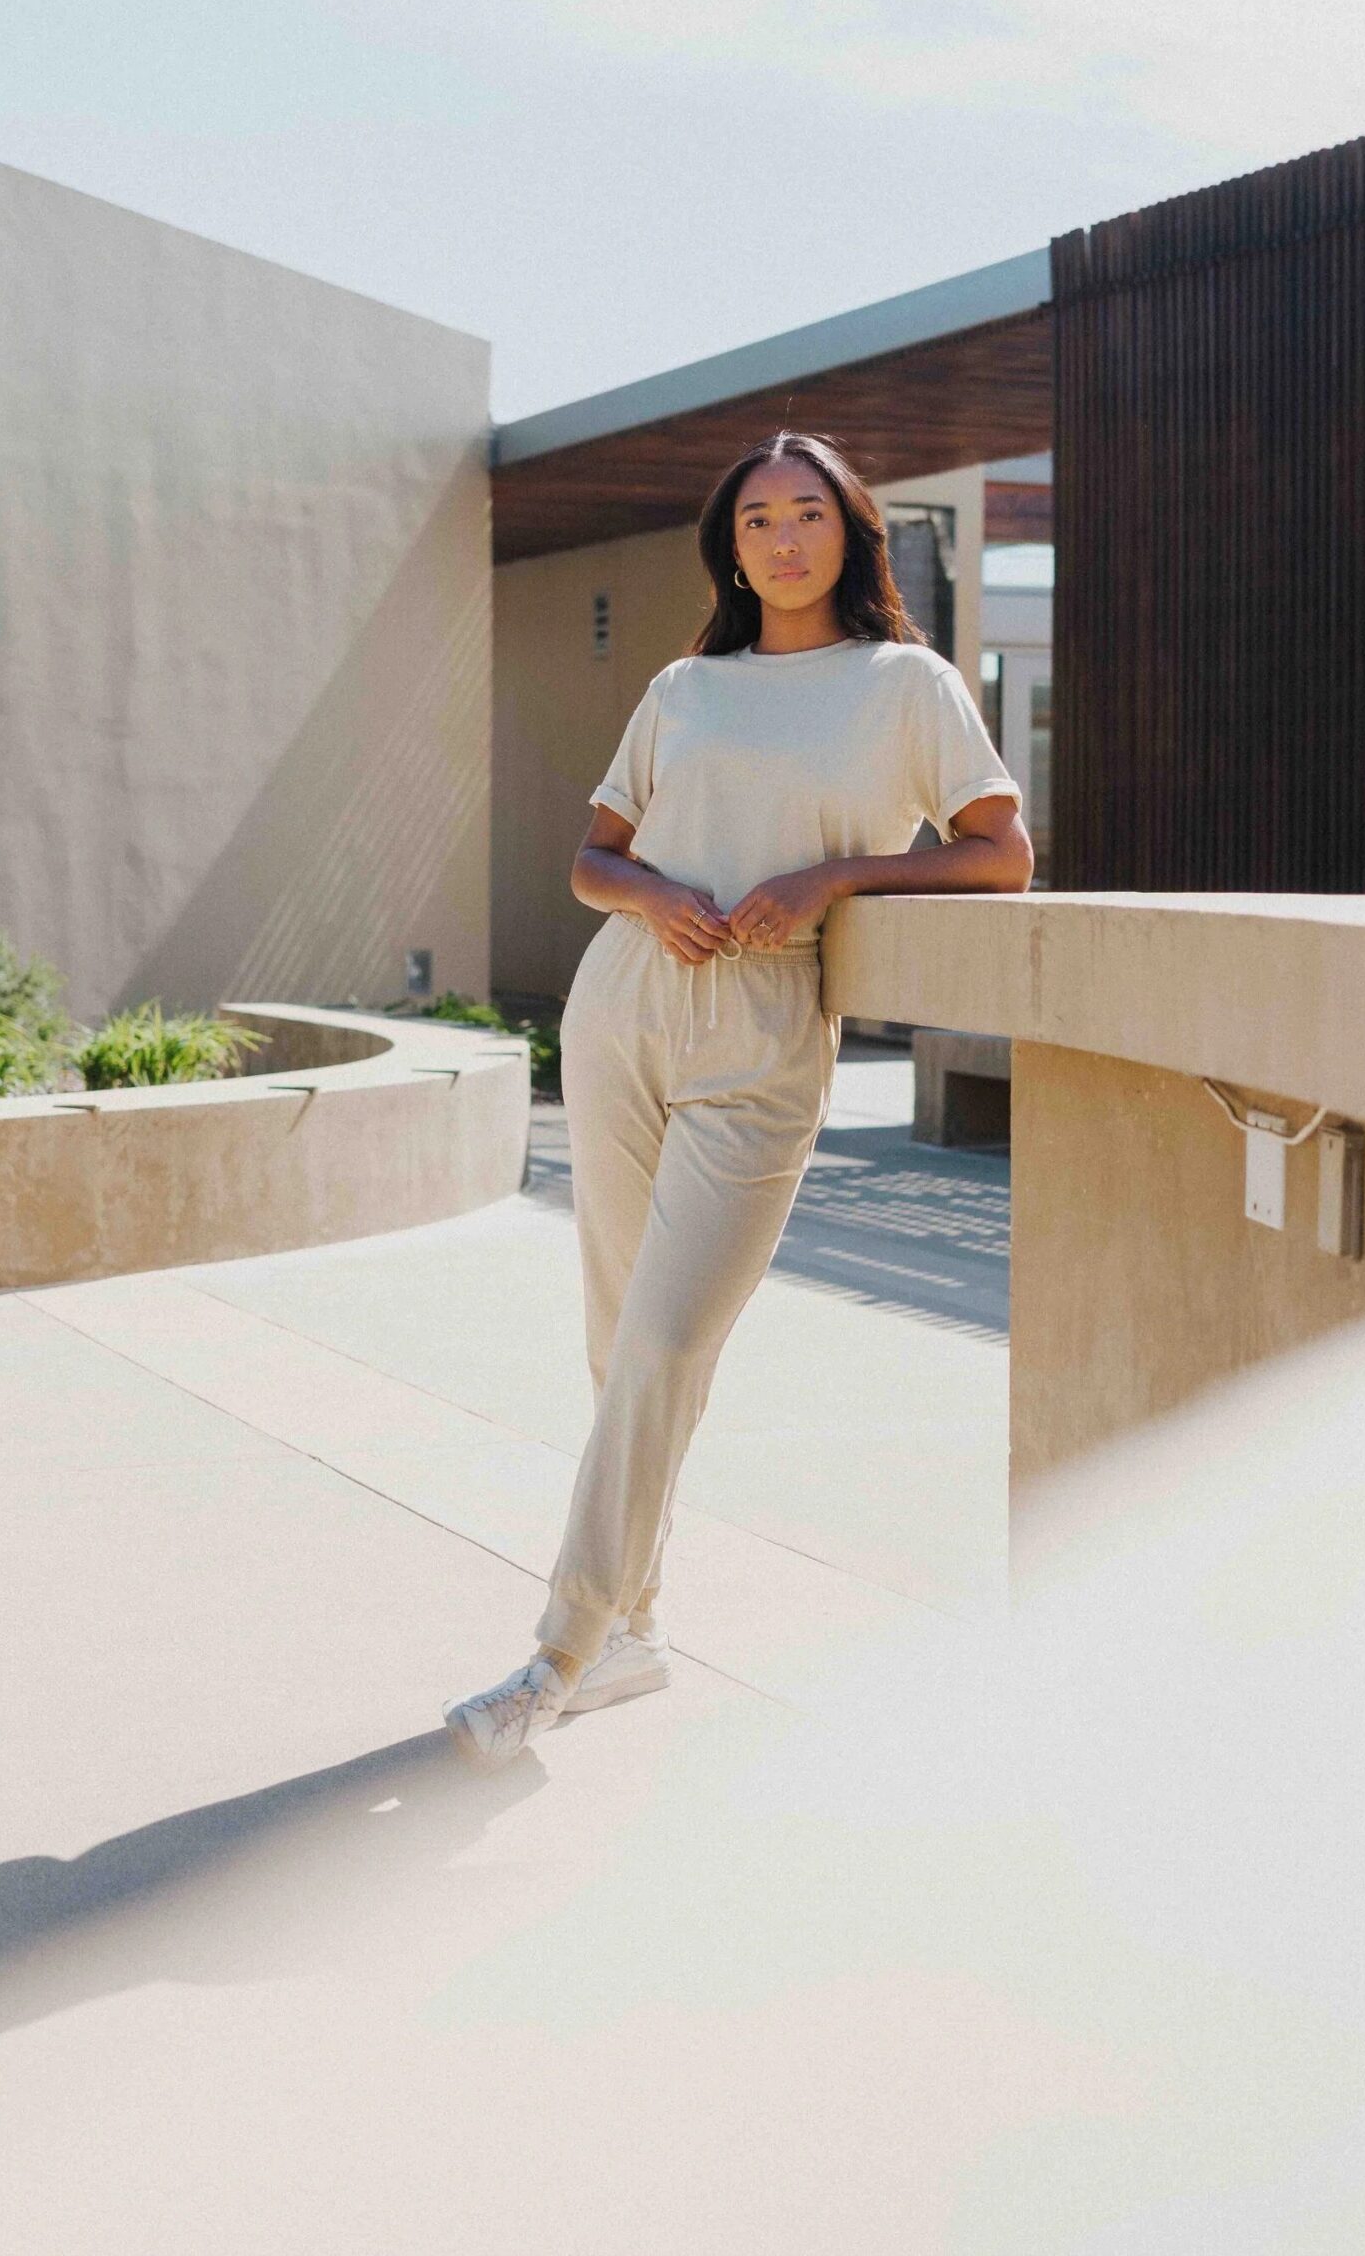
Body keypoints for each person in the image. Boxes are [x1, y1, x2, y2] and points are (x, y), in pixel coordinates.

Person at [444, 430, 1032, 1766]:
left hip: (766, 1039)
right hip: (622, 1010)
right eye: (758, 517)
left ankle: (558, 1654)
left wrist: (834, 882)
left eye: (806, 513)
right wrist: (654, 893)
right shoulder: (685, 685)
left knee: (663, 1345)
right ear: (733, 544)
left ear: (851, 531)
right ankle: (634, 1635)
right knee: (616, 1343)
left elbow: (1001, 852)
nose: (781, 537)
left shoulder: (905, 684)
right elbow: (598, 855)